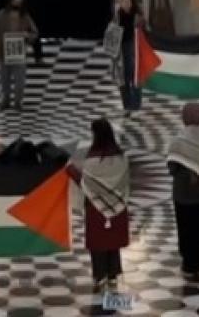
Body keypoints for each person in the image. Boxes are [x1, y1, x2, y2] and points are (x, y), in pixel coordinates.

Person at [67, 118, 129, 291]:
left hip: (96, 207)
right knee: (113, 242)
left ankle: (99, 276)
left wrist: (71, 170)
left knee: (98, 243)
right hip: (118, 206)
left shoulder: (93, 160)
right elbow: (125, 182)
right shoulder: (122, 157)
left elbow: (86, 183)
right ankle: (113, 275)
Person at [167, 103, 199, 280]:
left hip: (183, 193)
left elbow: (172, 167)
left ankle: (188, 263)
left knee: (185, 227)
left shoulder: (179, 140)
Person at [0, 0, 38, 110]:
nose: (16, 4)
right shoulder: (1, 15)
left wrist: (27, 35)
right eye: (15, 2)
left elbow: (35, 32)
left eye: (19, 2)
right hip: (3, 52)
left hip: (19, 53)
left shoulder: (25, 17)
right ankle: (5, 101)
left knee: (20, 80)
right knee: (4, 80)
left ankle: (18, 102)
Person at [114, 0, 143, 116]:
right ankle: (127, 106)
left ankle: (135, 105)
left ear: (132, 4)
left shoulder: (137, 17)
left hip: (132, 47)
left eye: (128, 2)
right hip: (120, 49)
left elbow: (143, 33)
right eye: (123, 1)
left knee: (134, 76)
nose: (125, 4)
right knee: (123, 78)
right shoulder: (117, 16)